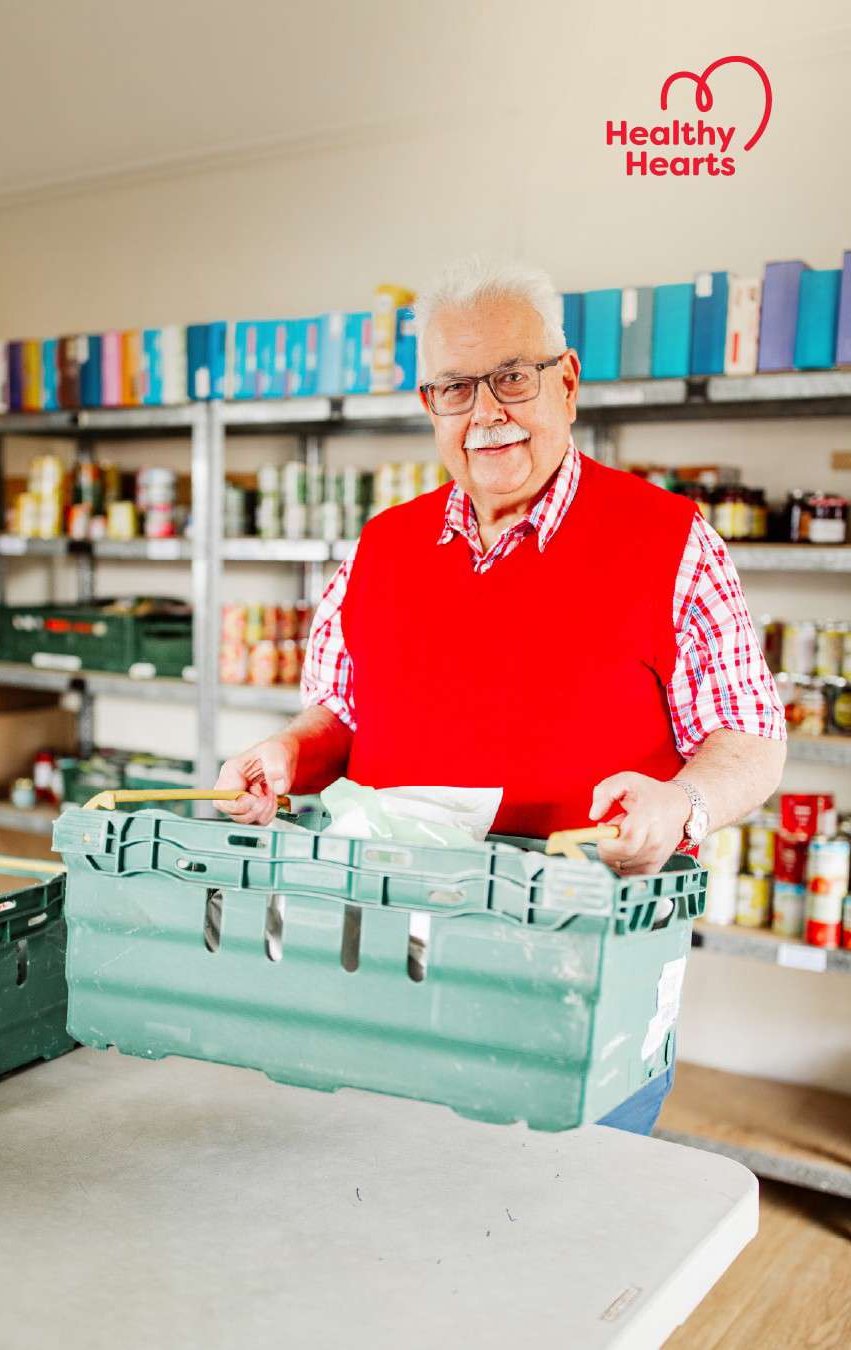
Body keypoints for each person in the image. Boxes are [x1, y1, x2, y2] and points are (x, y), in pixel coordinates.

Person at [215, 257, 787, 1134]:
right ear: (429, 407)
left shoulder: (671, 541)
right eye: (455, 388)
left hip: (580, 973)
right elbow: (343, 713)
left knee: (567, 1231)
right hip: (391, 968)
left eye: (512, 379)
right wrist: (290, 752)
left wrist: (680, 803)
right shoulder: (378, 548)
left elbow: (749, 737)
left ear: (566, 383)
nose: (486, 413)